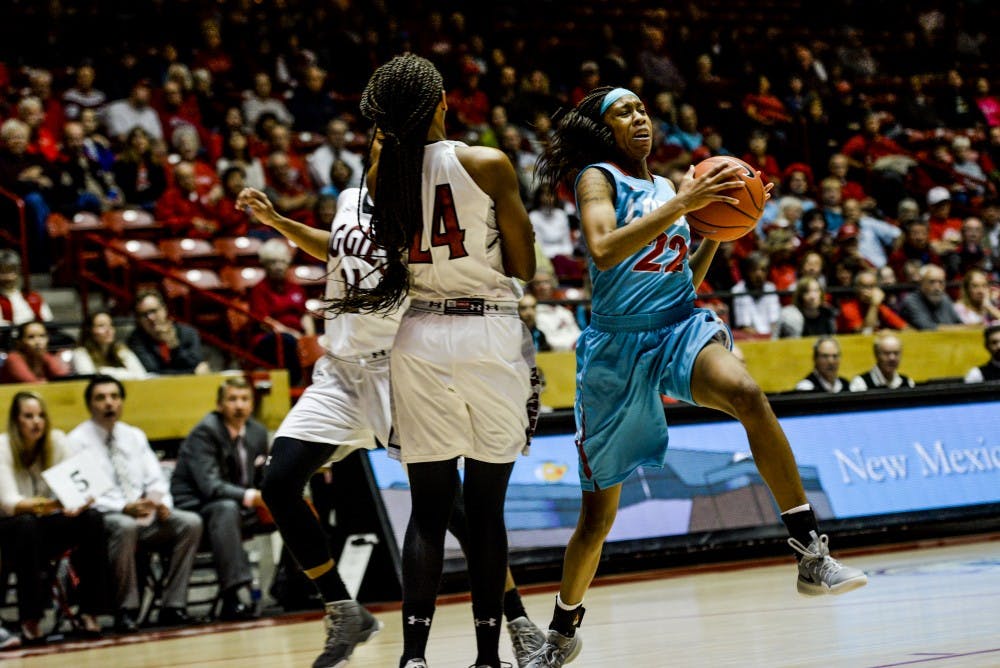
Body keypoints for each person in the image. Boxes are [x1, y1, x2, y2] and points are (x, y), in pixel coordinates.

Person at [528, 86, 866, 667]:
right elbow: (605, 249)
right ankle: (563, 629)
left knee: (746, 393)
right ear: (604, 130)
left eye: (642, 109)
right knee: (596, 519)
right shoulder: (597, 178)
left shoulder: (669, 189)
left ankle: (811, 551)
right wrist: (685, 205)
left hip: (676, 322)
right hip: (616, 347)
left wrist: (720, 224)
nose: (640, 118)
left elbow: (679, 273)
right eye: (624, 112)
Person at [240, 120, 544, 668]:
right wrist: (280, 222)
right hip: (339, 371)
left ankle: (517, 620)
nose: (387, 144)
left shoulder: (413, 204)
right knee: (278, 482)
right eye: (380, 136)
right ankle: (343, 610)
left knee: (453, 512)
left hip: (397, 368)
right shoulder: (352, 197)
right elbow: (336, 252)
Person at [314, 54, 536, 668]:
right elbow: (523, 267)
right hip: (486, 328)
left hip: (416, 336)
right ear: (440, 101)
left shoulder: (381, 176)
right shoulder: (485, 162)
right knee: (486, 511)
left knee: (428, 510)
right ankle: (489, 658)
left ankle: (414, 658)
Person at [69, 375, 203, 633]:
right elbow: (85, 493)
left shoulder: (134, 435)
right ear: (89, 405)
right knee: (125, 526)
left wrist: (159, 501)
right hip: (107, 520)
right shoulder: (76, 441)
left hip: (144, 514)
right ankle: (126, 609)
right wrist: (123, 508)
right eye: (101, 398)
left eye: (114, 397)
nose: (109, 403)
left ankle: (173, 605)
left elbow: (156, 478)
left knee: (190, 523)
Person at [0, 391, 108, 641]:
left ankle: (89, 611)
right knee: (26, 525)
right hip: (9, 529)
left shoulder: (57, 440)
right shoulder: (3, 446)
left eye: (41, 416)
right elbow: (8, 503)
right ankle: (31, 618)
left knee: (92, 518)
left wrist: (78, 504)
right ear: (16, 421)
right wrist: (52, 505)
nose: (36, 422)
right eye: (29, 416)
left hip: (43, 524)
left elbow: (82, 488)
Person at [170, 377, 269, 621]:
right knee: (226, 508)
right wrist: (252, 496)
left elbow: (261, 475)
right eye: (232, 399)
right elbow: (209, 486)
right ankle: (233, 596)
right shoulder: (205, 431)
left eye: (244, 399)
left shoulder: (257, 431)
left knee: (293, 507)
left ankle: (299, 586)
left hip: (239, 505)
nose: (239, 405)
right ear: (219, 405)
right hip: (196, 505)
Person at [248, 238, 315, 386]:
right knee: (287, 341)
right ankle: (294, 384)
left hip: (295, 336)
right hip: (271, 338)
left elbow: (304, 316)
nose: (278, 267)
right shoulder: (259, 290)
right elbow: (265, 322)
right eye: (273, 262)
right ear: (265, 265)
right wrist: (293, 335)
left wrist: (309, 337)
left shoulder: (296, 288)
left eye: (281, 262)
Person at [126, 288, 211, 375]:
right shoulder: (136, 340)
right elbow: (153, 373)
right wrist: (192, 372)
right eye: (144, 314)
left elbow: (196, 363)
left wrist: (174, 345)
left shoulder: (188, 333)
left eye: (153, 311)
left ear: (164, 310)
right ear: (138, 320)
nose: (150, 317)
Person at [70, 310, 147, 379]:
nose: (108, 330)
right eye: (101, 326)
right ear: (89, 331)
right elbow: (91, 379)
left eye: (110, 325)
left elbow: (141, 376)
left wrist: (104, 372)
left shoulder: (121, 350)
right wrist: (126, 374)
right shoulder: (80, 353)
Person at [836, 269, 909, 335]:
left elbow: (909, 330)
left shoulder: (880, 308)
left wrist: (892, 333)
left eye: (872, 286)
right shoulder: (848, 308)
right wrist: (874, 304)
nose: (868, 291)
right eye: (864, 286)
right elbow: (865, 334)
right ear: (857, 288)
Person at [0, 321, 70, 384]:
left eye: (42, 336)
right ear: (19, 342)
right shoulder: (13, 359)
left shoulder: (45, 356)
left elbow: (63, 379)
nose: (38, 342)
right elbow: (32, 384)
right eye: (31, 337)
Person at [897, 264, 963, 331]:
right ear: (922, 283)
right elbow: (927, 328)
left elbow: (959, 323)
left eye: (941, 282)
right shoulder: (911, 301)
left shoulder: (945, 299)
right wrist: (959, 328)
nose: (937, 287)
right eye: (932, 282)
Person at [849, 333, 915, 391]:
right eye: (886, 353)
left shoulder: (908, 382)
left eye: (896, 353)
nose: (892, 358)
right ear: (876, 355)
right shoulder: (860, 383)